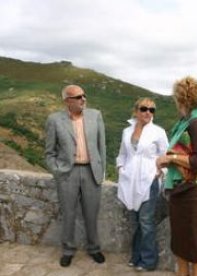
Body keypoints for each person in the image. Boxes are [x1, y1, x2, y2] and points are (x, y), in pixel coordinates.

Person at [156, 76, 197, 276]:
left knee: (196, 242)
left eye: (177, 97)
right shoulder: (189, 120)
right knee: (182, 240)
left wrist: (170, 158)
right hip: (184, 190)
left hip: (194, 192)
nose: (175, 102)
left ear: (184, 98)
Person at [45, 84, 106, 267]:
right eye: (78, 97)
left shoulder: (96, 116)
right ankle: (68, 250)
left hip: (91, 171)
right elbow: (49, 152)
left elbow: (101, 147)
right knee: (68, 214)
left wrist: (101, 171)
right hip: (67, 173)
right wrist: (57, 171)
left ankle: (94, 248)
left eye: (84, 96)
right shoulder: (54, 120)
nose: (83, 99)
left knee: (91, 213)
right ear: (67, 101)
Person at [116, 98, 168, 271]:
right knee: (137, 221)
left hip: (148, 180)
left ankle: (148, 261)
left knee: (146, 221)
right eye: (144, 109)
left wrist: (159, 172)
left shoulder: (158, 132)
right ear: (136, 110)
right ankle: (136, 256)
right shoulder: (126, 131)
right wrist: (121, 168)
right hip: (129, 181)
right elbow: (122, 154)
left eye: (152, 110)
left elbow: (166, 155)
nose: (148, 113)